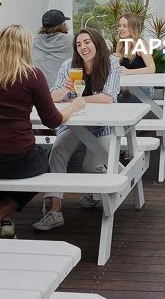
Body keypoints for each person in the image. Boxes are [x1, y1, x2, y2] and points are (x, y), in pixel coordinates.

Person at [0, 25, 85, 239]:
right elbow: (52, 120)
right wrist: (74, 107)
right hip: (19, 158)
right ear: (25, 47)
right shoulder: (32, 76)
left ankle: (5, 225)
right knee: (46, 163)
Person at [33, 28, 121, 231]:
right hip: (74, 124)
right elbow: (52, 97)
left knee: (92, 167)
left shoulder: (111, 64)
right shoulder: (68, 65)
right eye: (79, 44)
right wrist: (64, 90)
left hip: (102, 126)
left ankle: (94, 193)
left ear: (97, 43)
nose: (83, 47)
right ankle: (54, 210)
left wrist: (78, 100)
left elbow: (108, 97)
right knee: (57, 152)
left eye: (87, 42)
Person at [115, 12, 157, 103]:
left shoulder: (141, 44)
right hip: (125, 87)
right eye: (119, 25)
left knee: (120, 101)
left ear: (133, 27)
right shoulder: (121, 45)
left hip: (143, 88)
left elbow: (152, 68)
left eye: (124, 26)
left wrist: (129, 72)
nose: (120, 28)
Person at [33, 9, 73, 88]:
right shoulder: (73, 41)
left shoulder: (32, 41)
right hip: (62, 91)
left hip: (37, 91)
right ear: (62, 25)